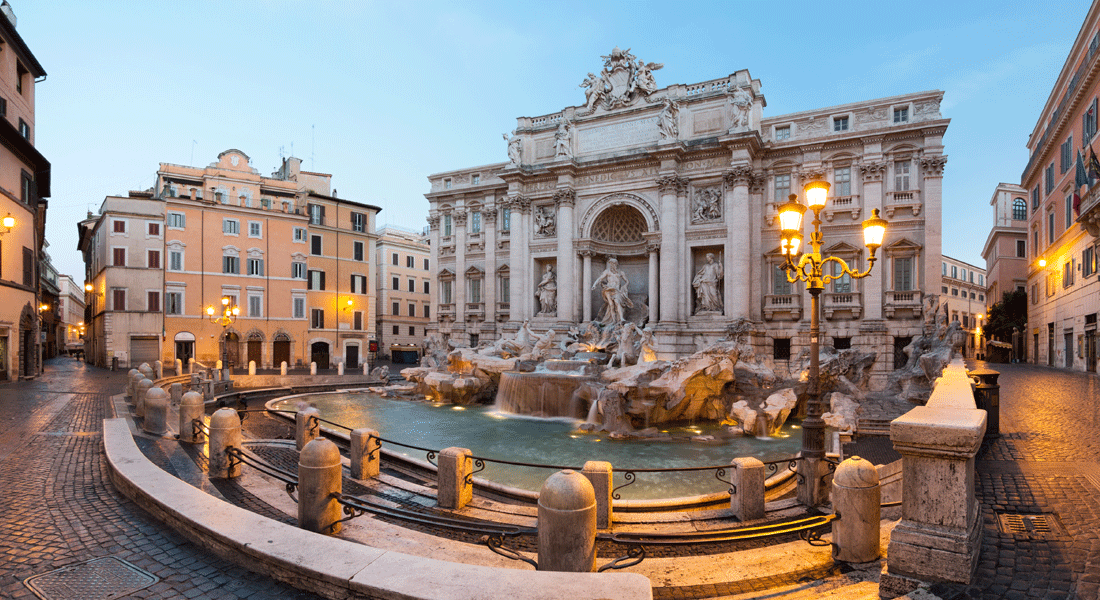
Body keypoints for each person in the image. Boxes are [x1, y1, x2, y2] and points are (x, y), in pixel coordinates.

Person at [591, 258, 633, 324]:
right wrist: (594, 284)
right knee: (611, 305)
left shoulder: (621, 272)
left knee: (617, 302)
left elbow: (627, 281)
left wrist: (625, 286)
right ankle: (613, 320)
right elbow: (600, 278)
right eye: (611, 263)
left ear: (616, 264)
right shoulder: (607, 271)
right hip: (608, 289)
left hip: (616, 290)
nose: (612, 265)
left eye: (613, 263)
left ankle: (621, 318)